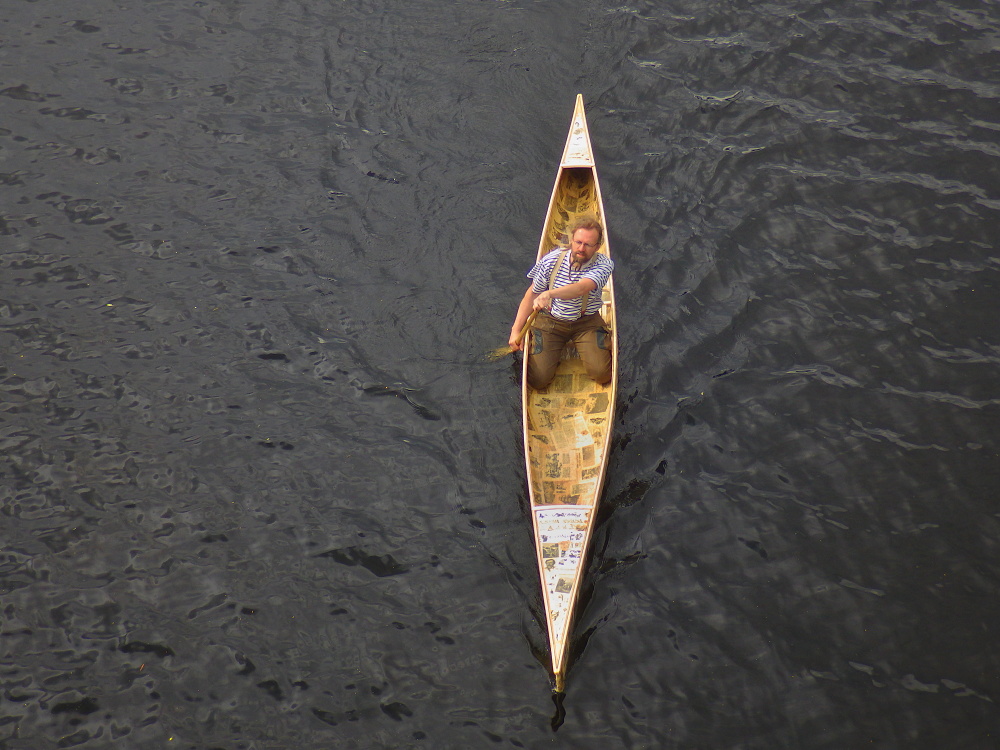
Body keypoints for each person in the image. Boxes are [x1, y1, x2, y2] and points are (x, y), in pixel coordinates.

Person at [508, 215, 614, 390]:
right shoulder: (551, 260)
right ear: (571, 240)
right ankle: (549, 353)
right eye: (578, 242)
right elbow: (532, 294)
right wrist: (515, 330)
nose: (581, 248)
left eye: (588, 245)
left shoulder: (604, 265)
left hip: (585, 322)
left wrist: (550, 293)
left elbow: (581, 288)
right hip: (550, 322)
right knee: (538, 381)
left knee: (602, 375)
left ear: (597, 247)